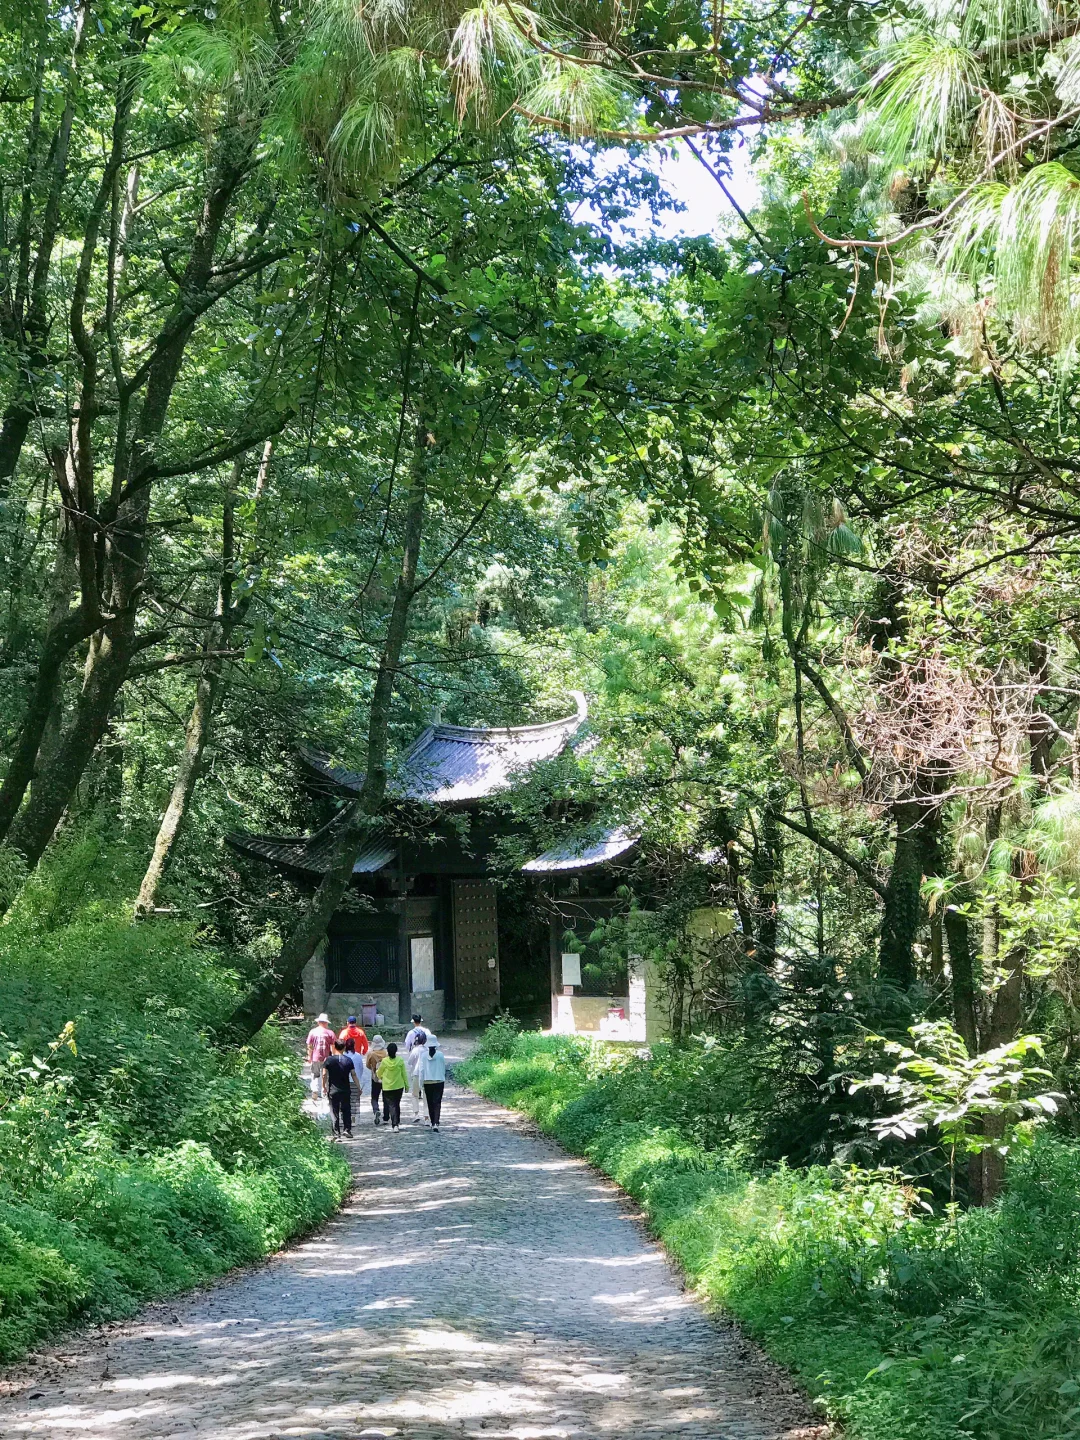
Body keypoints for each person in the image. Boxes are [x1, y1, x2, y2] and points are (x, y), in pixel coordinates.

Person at [323, 1039, 355, 1139]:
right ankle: (347, 1130)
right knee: (346, 1110)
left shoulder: (328, 1060)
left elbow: (324, 1074)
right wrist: (358, 1086)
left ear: (334, 1047)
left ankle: (336, 1133)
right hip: (345, 1089)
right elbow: (353, 1074)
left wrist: (323, 1086)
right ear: (344, 1047)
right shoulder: (348, 1060)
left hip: (333, 1089)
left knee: (334, 1111)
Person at [418, 1033, 446, 1131]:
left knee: (430, 1102)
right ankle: (436, 1123)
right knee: (437, 1102)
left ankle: (432, 1121)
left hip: (427, 1081)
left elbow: (421, 1070)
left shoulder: (424, 1055)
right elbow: (443, 1068)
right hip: (439, 1081)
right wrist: (443, 1078)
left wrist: (420, 1084)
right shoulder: (440, 1055)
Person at [376, 1042, 407, 1131]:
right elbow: (404, 1073)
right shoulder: (400, 1060)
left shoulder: (384, 1061)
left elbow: (379, 1073)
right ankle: (397, 1121)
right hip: (399, 1086)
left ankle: (395, 1124)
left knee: (391, 1105)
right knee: (397, 1104)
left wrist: (379, 1075)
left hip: (387, 1087)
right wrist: (407, 1085)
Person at [306, 1012, 335, 1100]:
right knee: (325, 1075)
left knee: (315, 1074)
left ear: (318, 1022)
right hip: (327, 1058)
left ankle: (315, 1090)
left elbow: (310, 1045)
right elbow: (333, 1046)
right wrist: (333, 1056)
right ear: (326, 1023)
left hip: (315, 1057)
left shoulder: (313, 1032)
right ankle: (324, 1092)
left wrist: (309, 1056)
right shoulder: (330, 1033)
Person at [405, 1028, 428, 1123]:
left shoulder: (415, 1050)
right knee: (426, 1096)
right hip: (426, 1075)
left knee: (415, 1095)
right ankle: (427, 1117)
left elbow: (410, 1062)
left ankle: (416, 1114)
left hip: (416, 1073)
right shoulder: (427, 1050)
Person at [365, 1034, 389, 1125]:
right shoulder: (386, 1053)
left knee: (374, 1097)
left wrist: (373, 1069)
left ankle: (376, 1110)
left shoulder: (371, 1054)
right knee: (386, 1097)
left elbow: (367, 1065)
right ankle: (386, 1117)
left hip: (375, 1077)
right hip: (386, 1078)